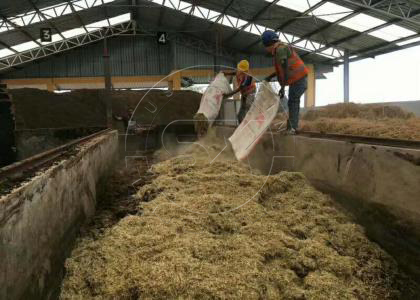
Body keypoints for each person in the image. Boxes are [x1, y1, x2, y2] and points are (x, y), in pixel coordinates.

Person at [262, 30, 308, 134]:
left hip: (299, 79)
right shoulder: (281, 48)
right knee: (292, 101)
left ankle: (292, 128)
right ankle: (291, 127)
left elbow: (285, 68)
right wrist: (270, 77)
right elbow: (282, 69)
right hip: (298, 79)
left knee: (293, 102)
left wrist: (282, 87)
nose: (267, 50)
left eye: (266, 47)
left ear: (268, 44)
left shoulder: (280, 50)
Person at [222, 60, 256, 124]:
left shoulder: (248, 78)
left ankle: (250, 123)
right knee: (240, 114)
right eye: (239, 69)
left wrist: (228, 94)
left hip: (250, 92)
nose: (239, 71)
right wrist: (226, 73)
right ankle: (241, 123)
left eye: (241, 70)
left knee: (247, 107)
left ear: (245, 70)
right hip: (244, 93)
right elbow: (235, 73)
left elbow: (239, 89)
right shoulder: (239, 71)